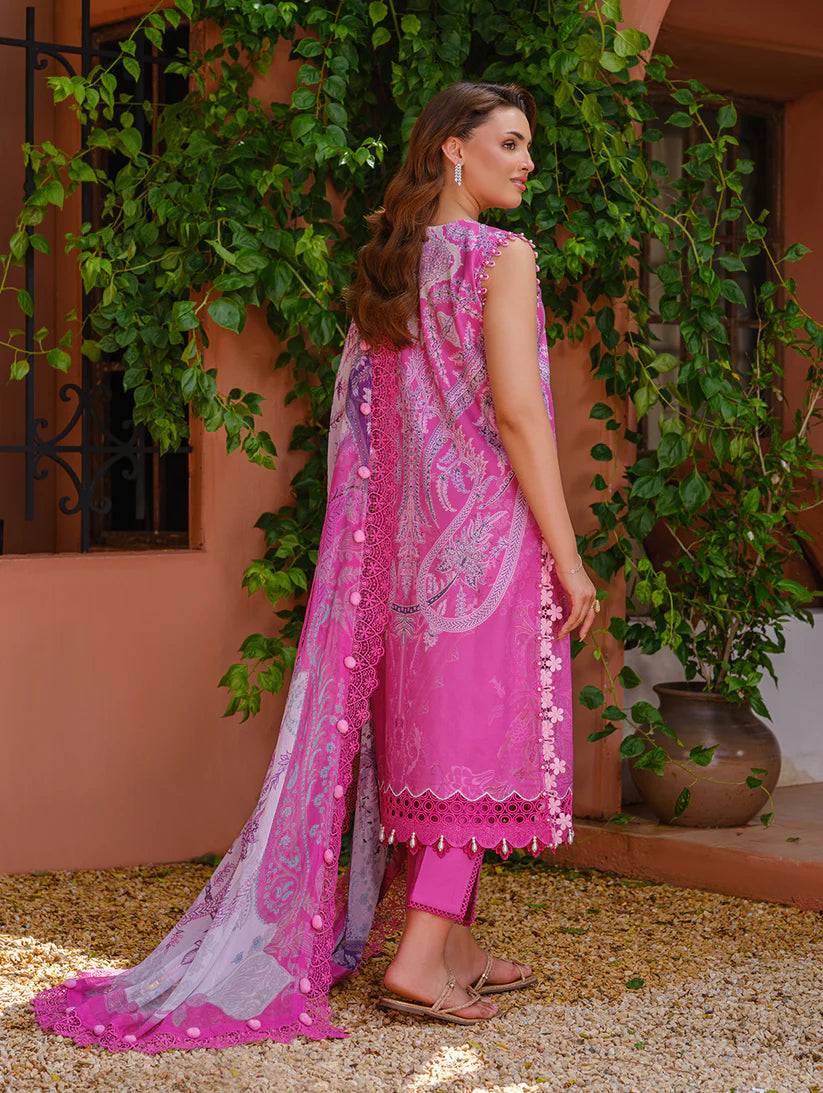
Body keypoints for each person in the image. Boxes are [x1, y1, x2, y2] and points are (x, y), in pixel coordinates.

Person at [29, 81, 596, 1052]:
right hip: (485, 543)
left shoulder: (391, 268)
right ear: (453, 149)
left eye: (526, 144)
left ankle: (455, 945)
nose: (526, 161)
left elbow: (373, 435)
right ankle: (421, 962)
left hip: (405, 555)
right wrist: (567, 555)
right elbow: (515, 413)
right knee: (474, 747)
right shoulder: (500, 257)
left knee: (433, 745)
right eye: (509, 142)